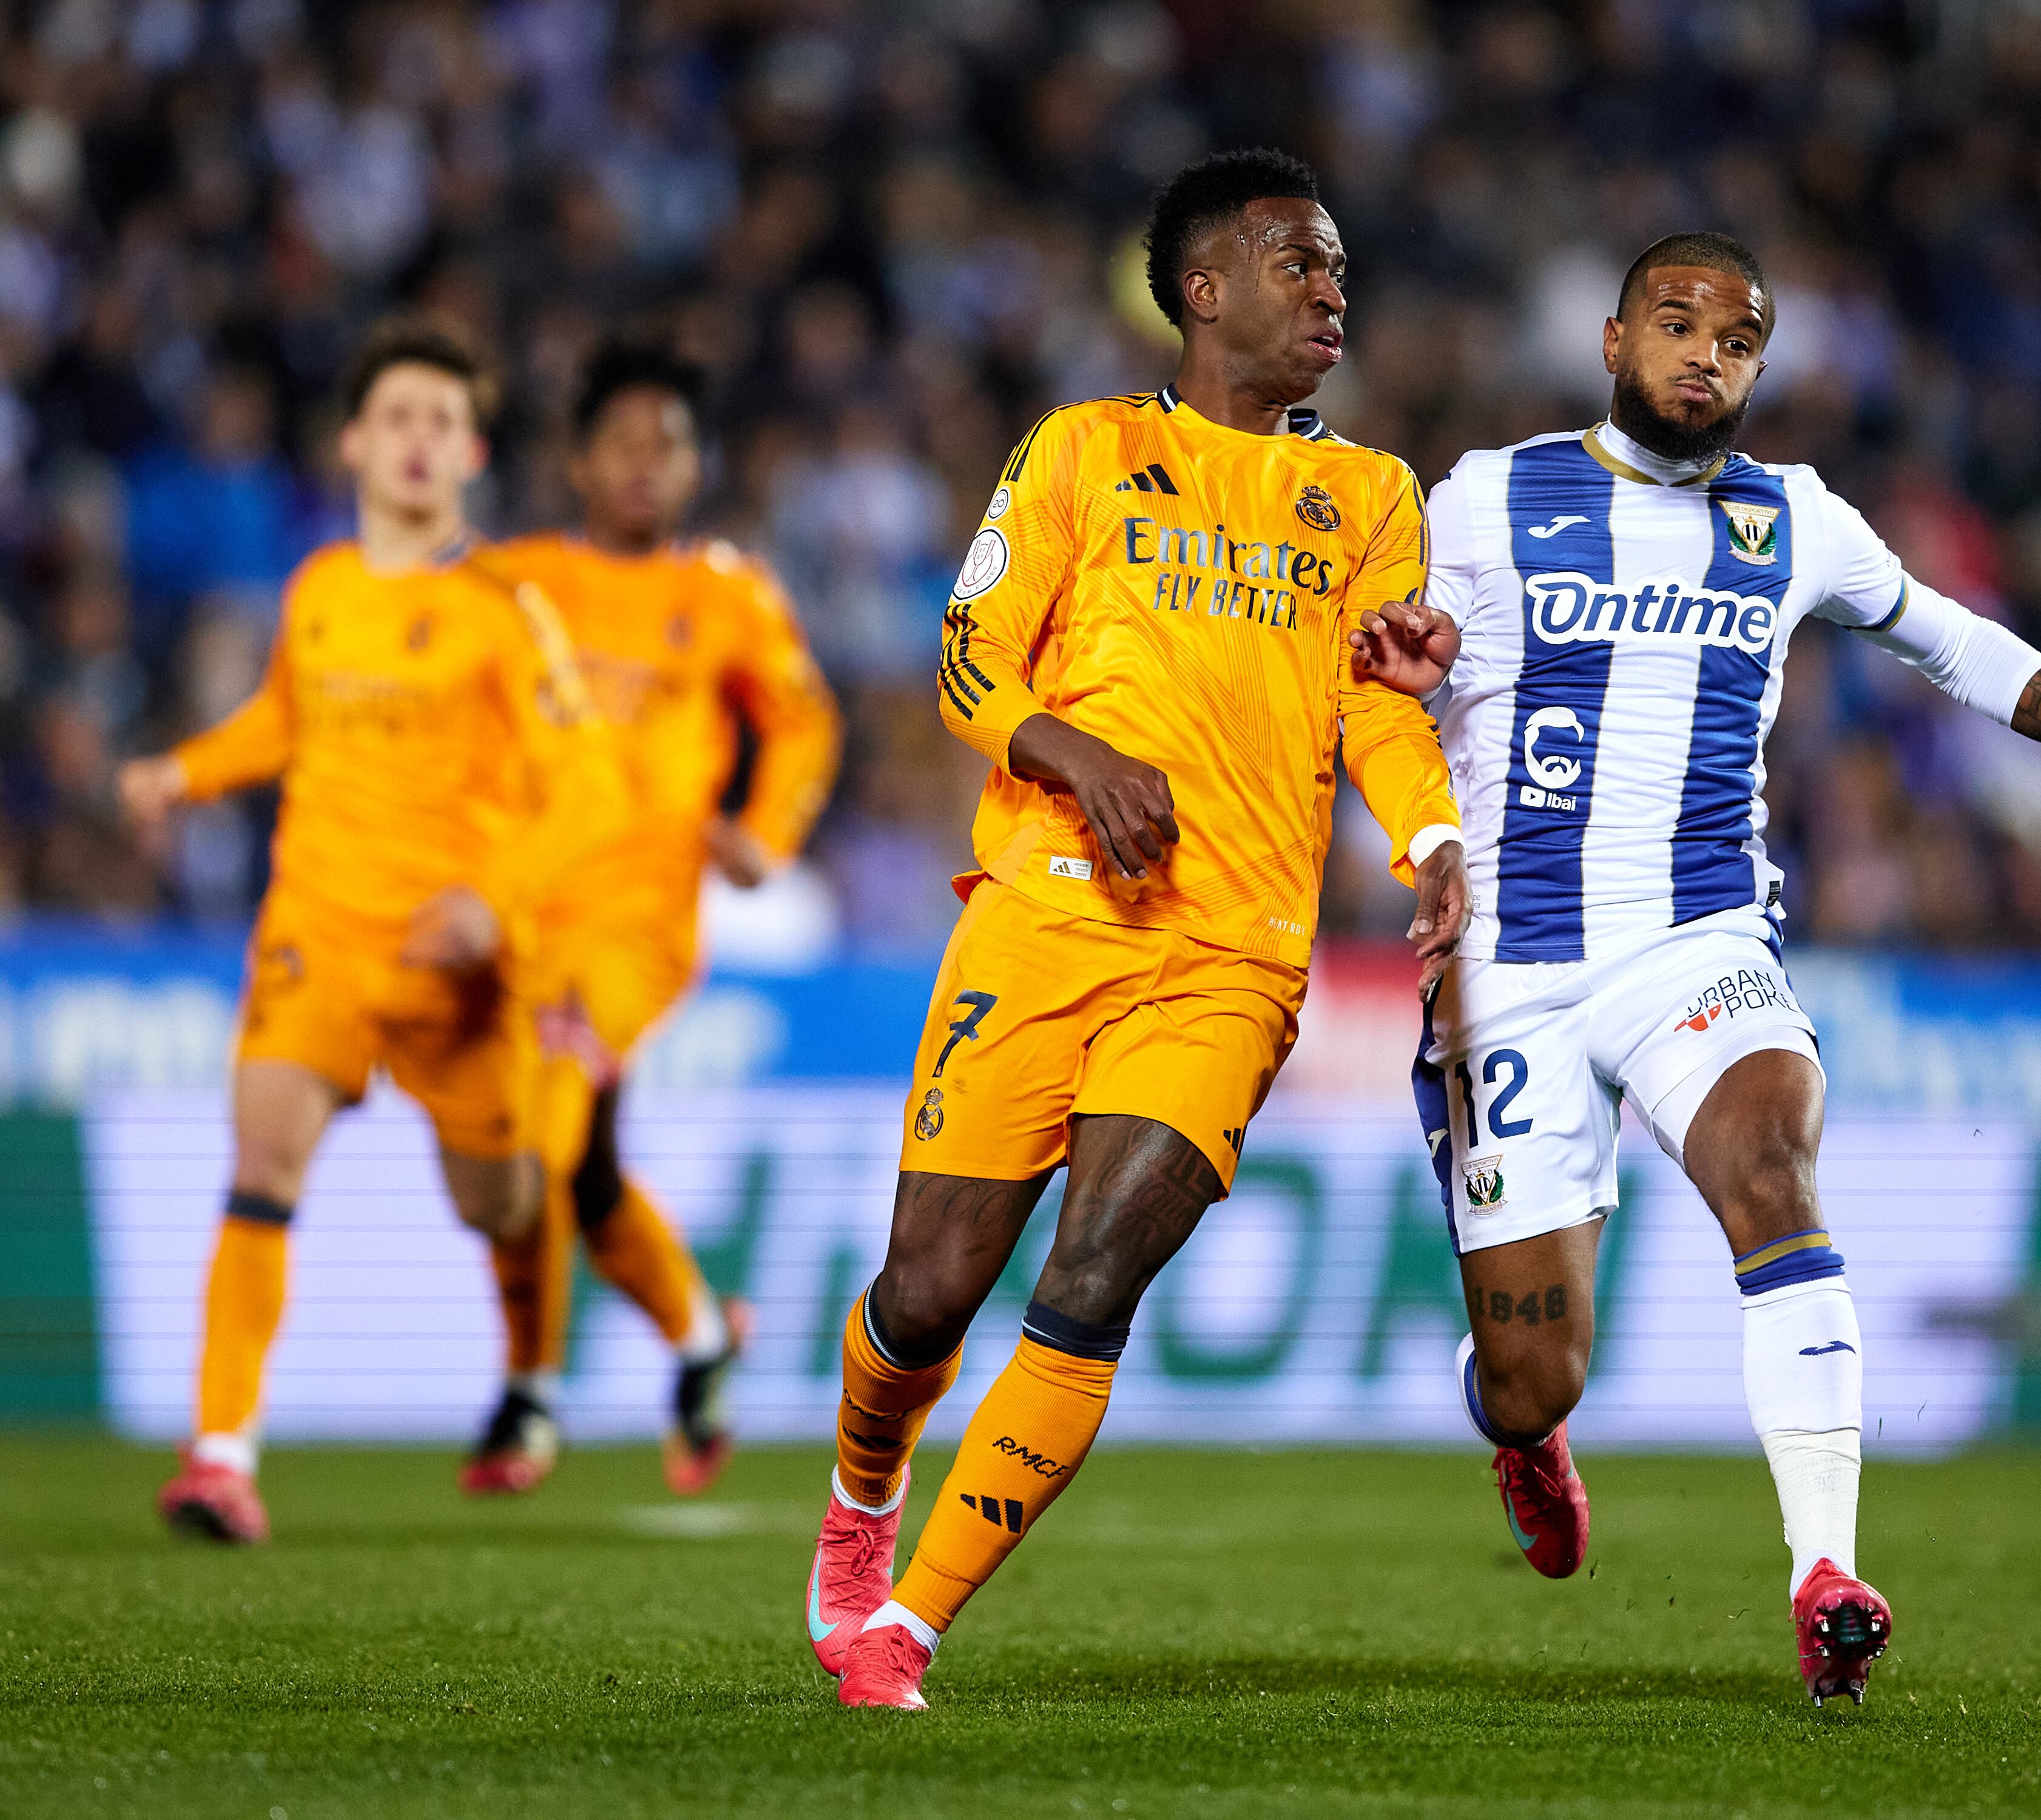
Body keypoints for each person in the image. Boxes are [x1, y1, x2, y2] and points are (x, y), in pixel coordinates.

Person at [1396, 233, 2041, 1704]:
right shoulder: (1487, 495)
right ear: (1612, 341)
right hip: (1512, 962)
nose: (1704, 357)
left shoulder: (1794, 518)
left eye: (1736, 341)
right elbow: (1394, 656)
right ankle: (1525, 1439)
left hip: (1701, 939)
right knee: (1538, 1373)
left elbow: (1954, 644)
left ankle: (1824, 1576)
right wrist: (1398, 666)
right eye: (1677, 326)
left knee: (1774, 1169)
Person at [802, 148, 1466, 1713]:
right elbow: (968, 652)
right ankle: (863, 1492)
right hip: (1043, 914)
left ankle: (909, 1628)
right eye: (1299, 262)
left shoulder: (1369, 496)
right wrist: (1068, 751)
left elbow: (1377, 700)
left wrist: (1429, 833)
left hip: (1234, 949)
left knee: (1095, 1274)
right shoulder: (1081, 453)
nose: (1332, 290)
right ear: (1202, 287)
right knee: (927, 1287)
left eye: (1339, 268)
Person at [116, 317, 627, 1543]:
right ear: (352, 440)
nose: (417, 440)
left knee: (501, 1203)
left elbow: (594, 789)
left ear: (474, 455)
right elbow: (281, 724)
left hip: (460, 962)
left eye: (442, 423)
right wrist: (181, 777)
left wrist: (494, 902)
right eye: (397, 416)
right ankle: (222, 1454)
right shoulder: (321, 590)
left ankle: (526, 1382)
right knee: (261, 1169)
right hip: (319, 935)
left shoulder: (510, 606)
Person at [460, 340, 843, 1498]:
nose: (647, 464)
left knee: (546, 1136)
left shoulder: (725, 593)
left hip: (635, 930)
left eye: (669, 445)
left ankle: (530, 1391)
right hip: (511, 919)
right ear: (578, 462)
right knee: (584, 1180)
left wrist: (763, 834)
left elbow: (805, 723)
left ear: (695, 468)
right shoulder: (509, 585)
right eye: (625, 442)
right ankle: (702, 1336)